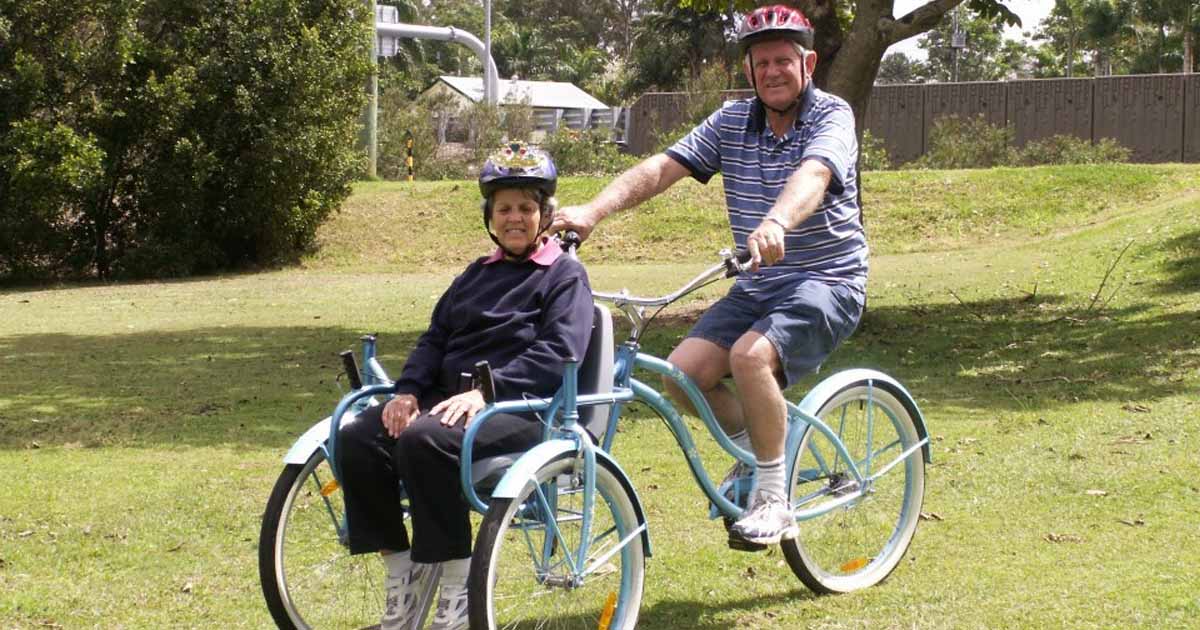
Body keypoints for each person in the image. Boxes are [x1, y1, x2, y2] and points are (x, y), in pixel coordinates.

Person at [551, 5, 866, 548]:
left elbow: (815, 174)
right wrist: (592, 212)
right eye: (761, 61)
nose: (772, 71)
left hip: (828, 278)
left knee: (749, 356)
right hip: (758, 283)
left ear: (808, 63)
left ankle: (773, 497)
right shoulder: (730, 122)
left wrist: (775, 221)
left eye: (783, 60)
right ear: (748, 70)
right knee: (680, 376)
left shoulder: (831, 115)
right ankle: (761, 452)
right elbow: (662, 167)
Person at [337, 143, 593, 630]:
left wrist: (487, 392)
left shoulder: (565, 276)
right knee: (358, 436)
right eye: (504, 209)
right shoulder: (475, 274)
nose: (514, 218)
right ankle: (404, 577)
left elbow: (559, 352)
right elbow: (435, 338)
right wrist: (407, 391)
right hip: (447, 403)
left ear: (545, 214)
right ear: (489, 216)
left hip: (524, 408)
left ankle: (457, 593)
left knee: (425, 440)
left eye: (525, 208)